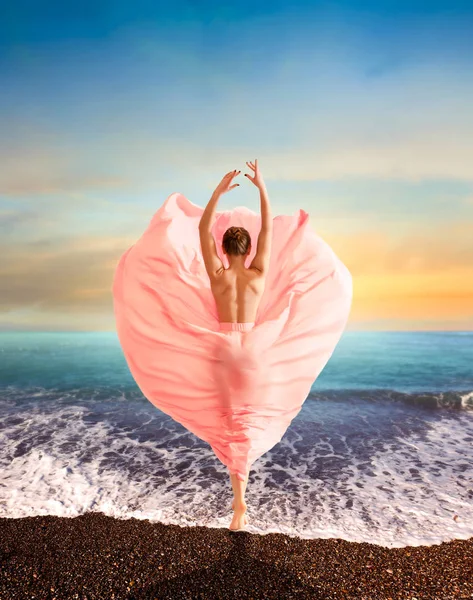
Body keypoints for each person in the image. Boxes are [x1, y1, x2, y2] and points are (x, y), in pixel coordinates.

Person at [198, 159, 270, 530]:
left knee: (228, 423)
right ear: (249, 248)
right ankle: (242, 499)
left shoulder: (219, 273)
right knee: (247, 423)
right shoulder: (258, 273)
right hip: (254, 348)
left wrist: (218, 191)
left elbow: (202, 227)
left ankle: (238, 502)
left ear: (224, 249)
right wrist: (261, 187)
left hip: (223, 346)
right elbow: (269, 226)